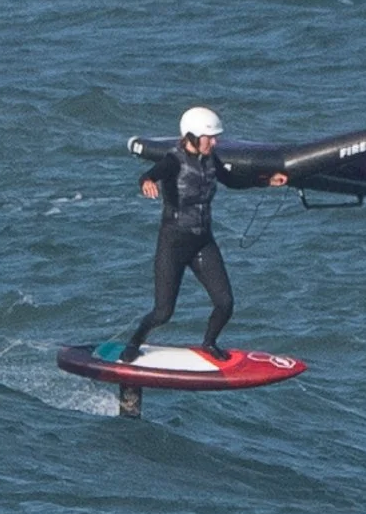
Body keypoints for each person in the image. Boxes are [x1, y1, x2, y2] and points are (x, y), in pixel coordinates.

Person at [120, 107, 287, 364]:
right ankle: (133, 343)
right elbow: (150, 174)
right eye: (210, 137)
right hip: (173, 243)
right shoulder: (173, 160)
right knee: (163, 312)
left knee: (225, 303)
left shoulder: (211, 159)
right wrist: (147, 182)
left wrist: (266, 181)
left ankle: (209, 343)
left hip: (202, 242)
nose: (215, 142)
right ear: (191, 136)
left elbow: (231, 180)